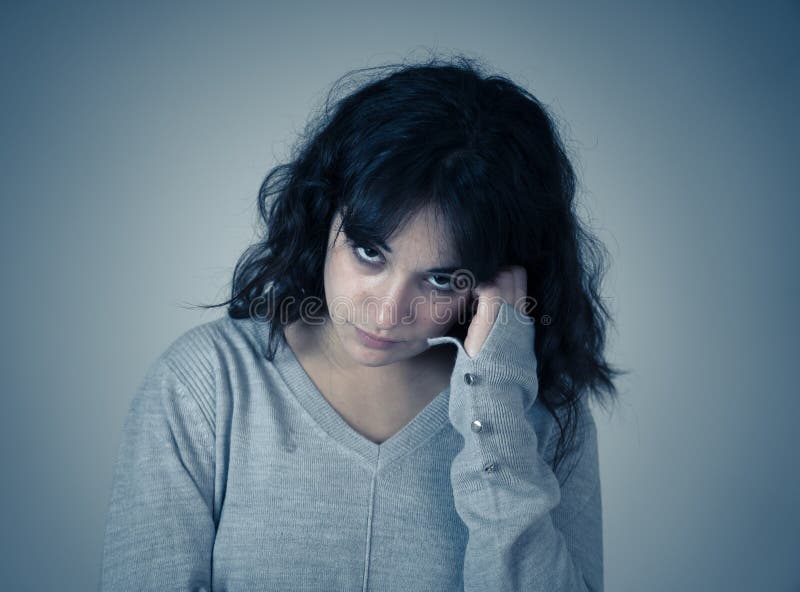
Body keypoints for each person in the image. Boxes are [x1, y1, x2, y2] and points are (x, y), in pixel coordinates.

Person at [99, 54, 624, 591]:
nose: (388, 311)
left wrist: (494, 416)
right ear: (324, 211)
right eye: (370, 252)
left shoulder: (540, 416)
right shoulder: (204, 387)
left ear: (501, 279)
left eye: (442, 279)